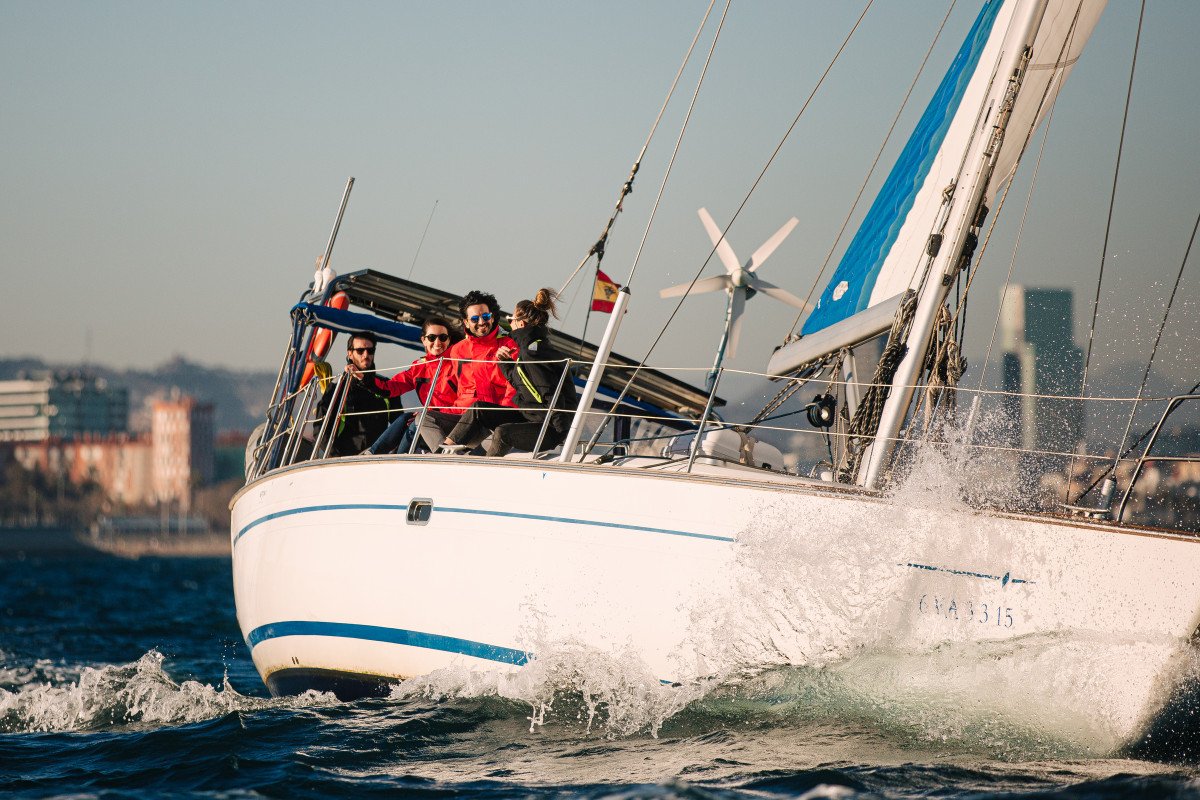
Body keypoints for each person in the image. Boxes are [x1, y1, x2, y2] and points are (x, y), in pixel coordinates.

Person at [418, 290, 520, 451]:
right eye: (474, 318)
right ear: (466, 322)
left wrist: (502, 413)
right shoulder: (457, 351)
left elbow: (514, 386)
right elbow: (454, 388)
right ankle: (443, 456)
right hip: (463, 414)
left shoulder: (508, 346)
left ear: (492, 317)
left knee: (481, 423)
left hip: (492, 417)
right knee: (423, 418)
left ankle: (445, 455)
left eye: (485, 317)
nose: (481, 322)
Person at [488, 288, 579, 456]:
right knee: (480, 410)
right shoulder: (534, 348)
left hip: (552, 427)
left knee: (502, 433)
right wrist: (506, 364)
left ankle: (484, 472)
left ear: (520, 323)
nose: (510, 325)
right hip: (545, 420)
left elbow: (552, 396)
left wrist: (564, 434)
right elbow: (525, 385)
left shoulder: (532, 352)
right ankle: (451, 450)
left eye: (510, 320)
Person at [364, 317, 458, 455]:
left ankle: (398, 461)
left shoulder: (458, 364)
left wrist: (430, 415)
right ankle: (373, 454)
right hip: (431, 419)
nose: (437, 342)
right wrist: (364, 378)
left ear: (449, 340)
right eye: (431, 337)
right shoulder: (419, 366)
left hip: (453, 421)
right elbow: (392, 387)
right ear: (423, 340)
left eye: (443, 337)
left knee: (417, 422)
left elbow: (465, 401)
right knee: (406, 418)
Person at [315, 331, 399, 457]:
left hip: (379, 462)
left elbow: (398, 424)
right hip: (346, 461)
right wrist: (335, 458)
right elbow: (321, 430)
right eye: (360, 351)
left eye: (370, 351)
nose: (366, 355)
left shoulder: (385, 385)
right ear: (350, 353)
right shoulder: (337, 386)